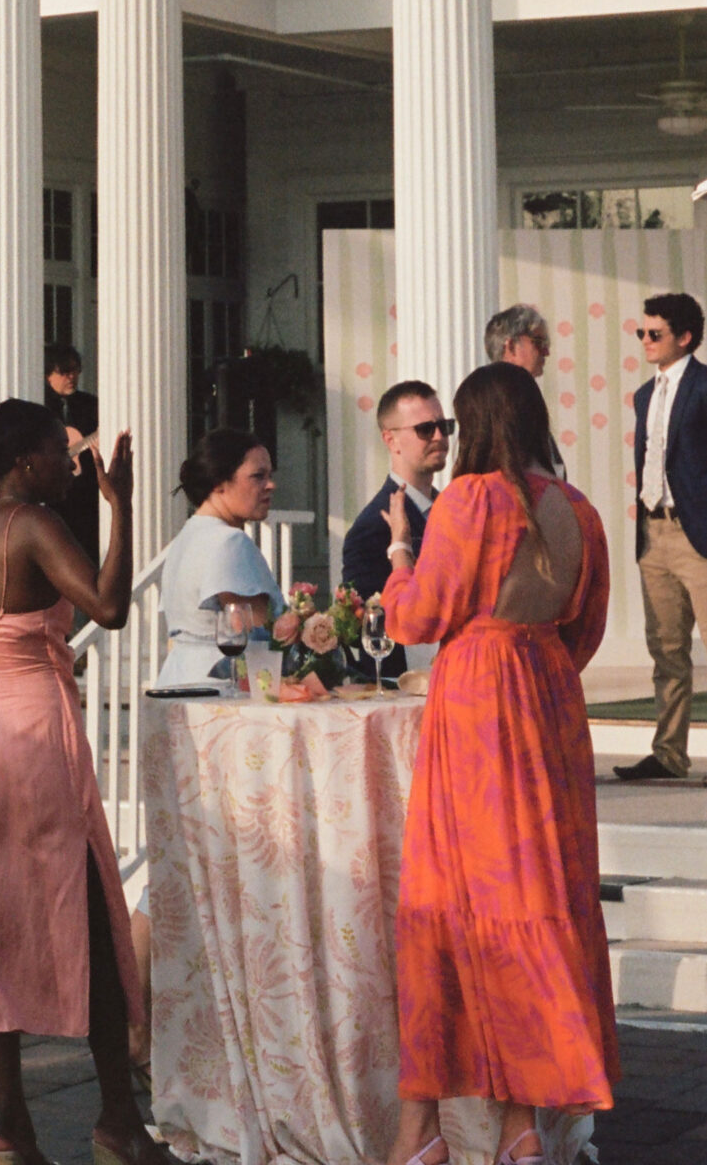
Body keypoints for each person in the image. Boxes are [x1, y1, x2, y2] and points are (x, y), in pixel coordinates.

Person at [0, 401, 164, 1165]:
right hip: (37, 739)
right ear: (21, 462)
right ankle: (117, 1120)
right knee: (87, 912)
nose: (69, 463)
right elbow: (110, 608)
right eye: (58, 451)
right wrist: (120, 510)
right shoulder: (35, 524)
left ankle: (12, 1128)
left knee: (0, 923)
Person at [381, 362, 615, 1165]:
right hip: (548, 695)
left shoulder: (469, 499)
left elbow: (419, 614)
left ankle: (426, 1132)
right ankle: (520, 1125)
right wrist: (535, 661)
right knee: (534, 892)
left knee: (453, 901)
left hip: (477, 702)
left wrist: (399, 552)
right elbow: (585, 625)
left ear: (476, 425)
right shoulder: (577, 509)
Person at [616, 290, 707, 784]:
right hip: (654, 533)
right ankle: (669, 755)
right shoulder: (644, 395)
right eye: (642, 333)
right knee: (666, 650)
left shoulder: (705, 386)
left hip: (700, 537)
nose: (645, 341)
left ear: (685, 337)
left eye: (655, 334)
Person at [156, 430, 301, 683]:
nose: (271, 484)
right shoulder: (230, 541)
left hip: (178, 678)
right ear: (219, 483)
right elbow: (256, 636)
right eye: (258, 476)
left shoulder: (186, 536)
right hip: (220, 688)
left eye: (270, 475)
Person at [341, 380, 451, 603]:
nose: (439, 436)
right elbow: (369, 623)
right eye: (425, 429)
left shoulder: (451, 508)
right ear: (391, 440)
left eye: (445, 426)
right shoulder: (372, 528)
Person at [486, 305, 564, 473]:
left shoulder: (529, 405)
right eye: (539, 342)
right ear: (512, 346)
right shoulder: (490, 406)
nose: (546, 351)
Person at [45, 340, 101, 565]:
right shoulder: (41, 408)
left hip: (85, 494)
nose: (71, 377)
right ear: (48, 375)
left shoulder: (91, 404)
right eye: (64, 372)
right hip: (53, 497)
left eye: (75, 371)